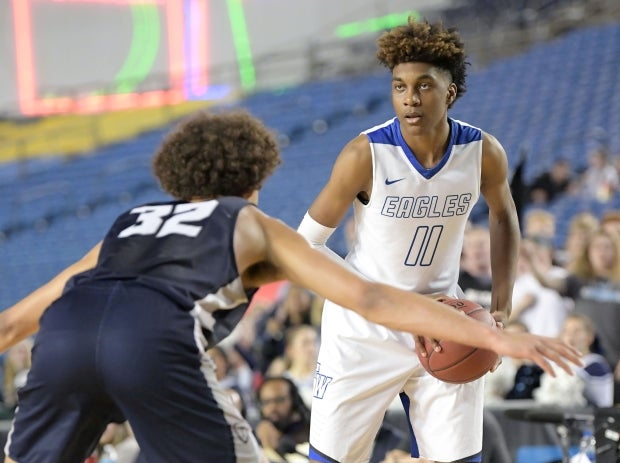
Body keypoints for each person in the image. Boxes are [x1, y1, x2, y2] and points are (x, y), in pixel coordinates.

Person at [0, 110, 580, 463]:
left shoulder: (128, 223)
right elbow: (371, 297)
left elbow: (17, 320)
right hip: (150, 341)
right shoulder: (252, 224)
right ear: (254, 178)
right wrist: (503, 341)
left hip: (63, 340)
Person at [296, 19, 523, 463]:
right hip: (363, 331)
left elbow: (504, 216)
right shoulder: (365, 154)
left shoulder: (482, 152)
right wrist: (364, 297)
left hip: (445, 321)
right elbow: (307, 244)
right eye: (399, 86)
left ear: (451, 92)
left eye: (424, 86)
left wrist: (499, 309)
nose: (410, 99)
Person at [255, 376, 311, 461]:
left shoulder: (312, 431)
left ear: (294, 400)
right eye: (266, 402)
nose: (272, 408)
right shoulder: (259, 432)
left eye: (279, 400)